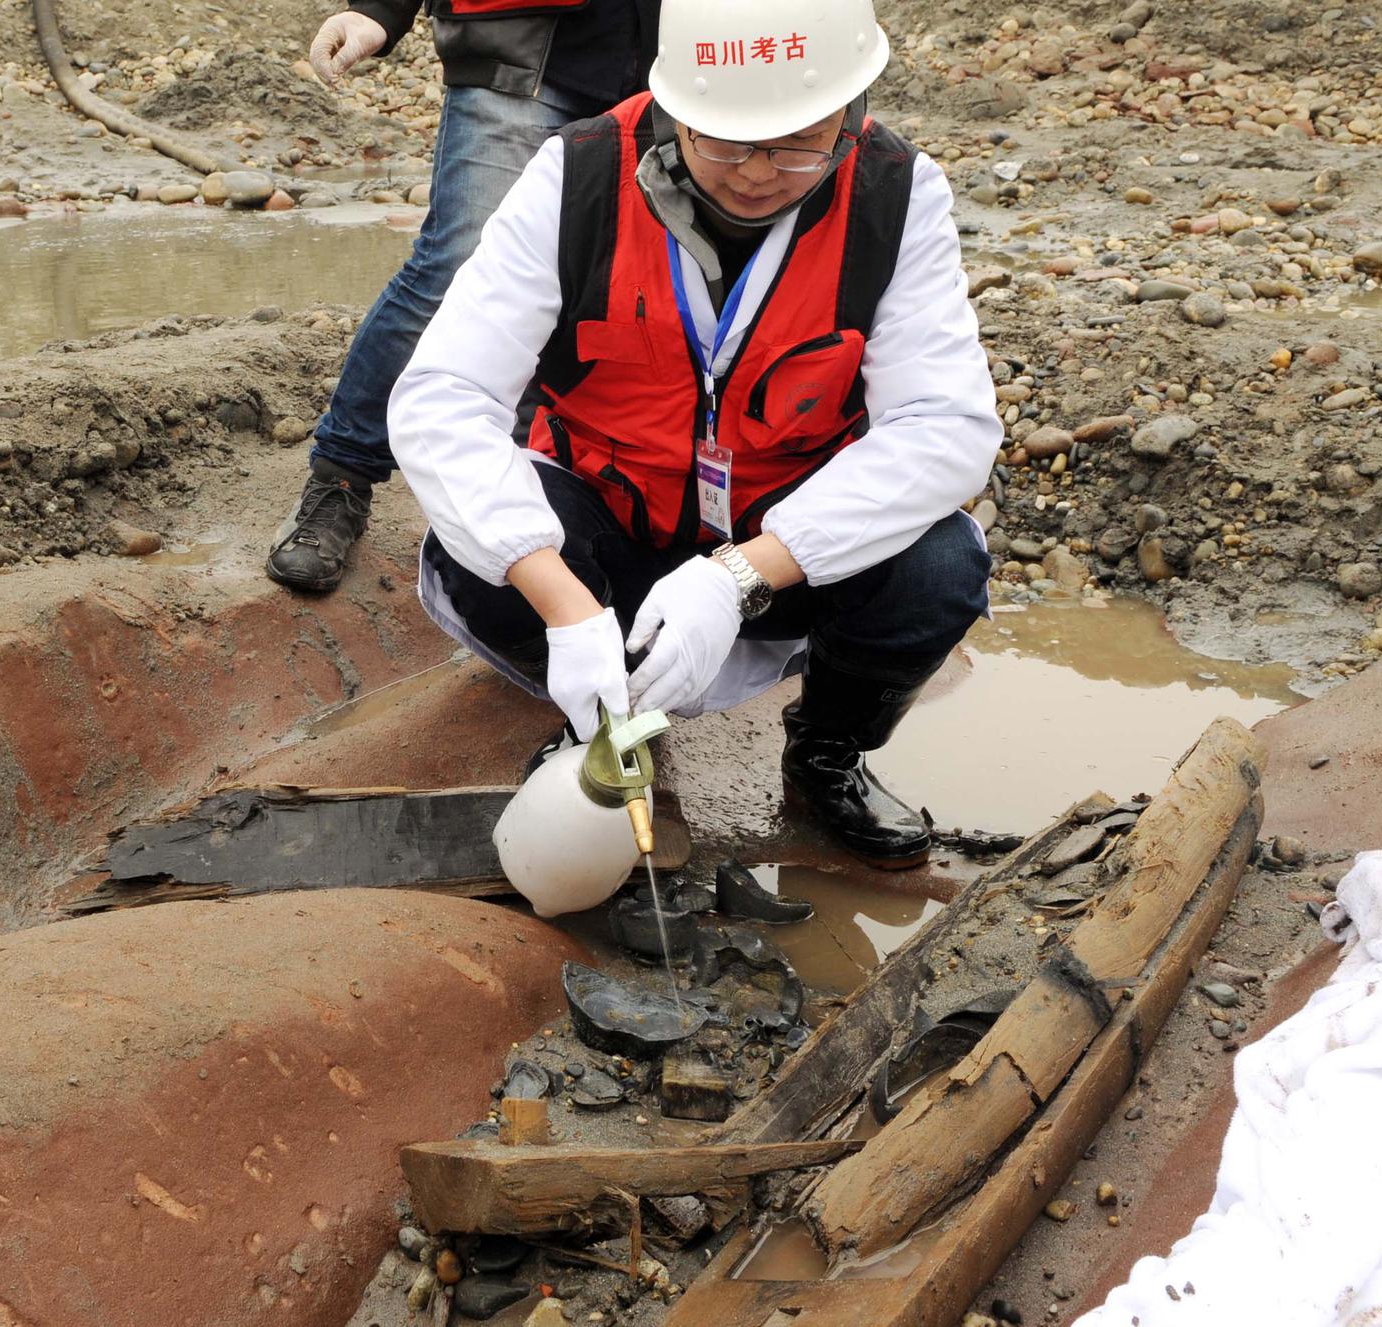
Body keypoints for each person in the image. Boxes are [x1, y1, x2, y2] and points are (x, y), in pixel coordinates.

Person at [387, 0, 1001, 866]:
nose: (757, 175)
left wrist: (738, 577)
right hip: (613, 522)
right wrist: (563, 605)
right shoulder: (579, 176)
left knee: (938, 568)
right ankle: (601, 722)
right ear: (673, 107)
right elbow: (444, 394)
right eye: (725, 143)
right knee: (479, 559)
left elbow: (945, 425)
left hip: (779, 539)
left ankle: (826, 748)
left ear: (851, 112)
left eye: (799, 144)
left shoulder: (895, 194)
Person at [267, 0, 662, 594]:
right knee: (456, 268)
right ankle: (342, 476)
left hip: (680, 71)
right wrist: (379, 10)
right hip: (519, 54)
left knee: (626, 287)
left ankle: (542, 495)